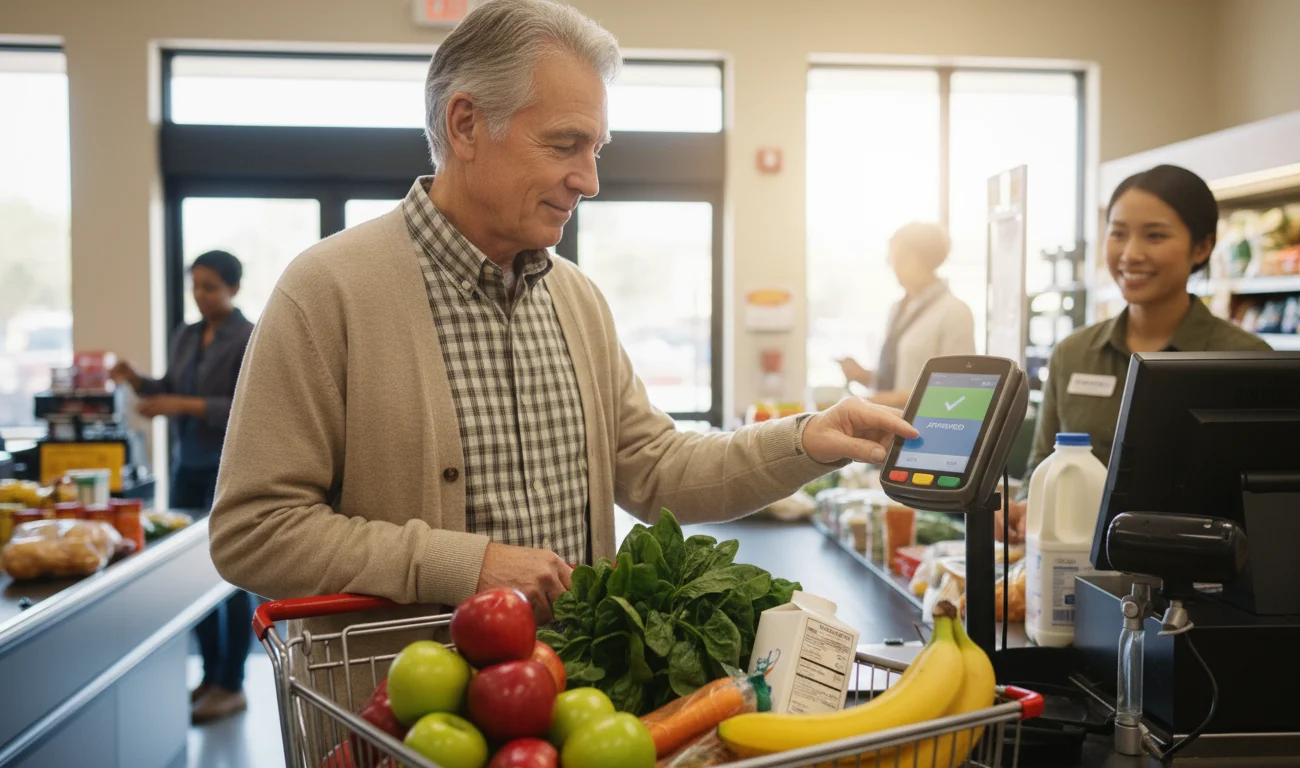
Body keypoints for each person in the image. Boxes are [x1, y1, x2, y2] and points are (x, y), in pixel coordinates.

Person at [208, 0, 916, 709]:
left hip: (575, 715)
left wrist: (805, 441)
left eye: (595, 150)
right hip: (405, 728)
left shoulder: (575, 299)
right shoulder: (328, 290)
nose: (590, 179)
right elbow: (254, 532)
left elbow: (659, 470)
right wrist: (466, 565)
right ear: (466, 125)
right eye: (564, 144)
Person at [996, 164, 1271, 543]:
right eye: (1118, 234)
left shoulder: (1244, 358)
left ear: (1202, 246)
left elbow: (1258, 499)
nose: (1130, 254)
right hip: (1075, 570)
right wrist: (1025, 509)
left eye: (1155, 236)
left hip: (1196, 576)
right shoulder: (1074, 353)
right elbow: (1039, 469)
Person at [111, 250, 255, 724]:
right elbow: (167, 386)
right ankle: (211, 677)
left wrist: (179, 404)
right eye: (195, 285)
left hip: (226, 469)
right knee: (192, 574)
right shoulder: (187, 334)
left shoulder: (248, 337)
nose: (200, 294)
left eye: (210, 286)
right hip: (186, 467)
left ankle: (232, 683)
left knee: (232, 575)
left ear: (233, 288)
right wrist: (138, 380)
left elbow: (241, 404)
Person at [839, 222, 975, 408]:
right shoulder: (898, 309)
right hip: (892, 425)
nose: (894, 266)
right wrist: (864, 376)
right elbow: (900, 378)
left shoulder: (954, 312)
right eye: (892, 259)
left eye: (901, 259)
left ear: (926, 259)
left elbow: (954, 389)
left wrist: (875, 402)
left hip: (926, 427)